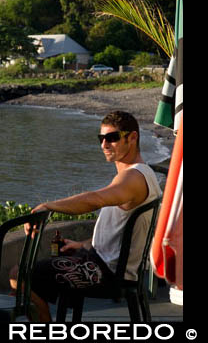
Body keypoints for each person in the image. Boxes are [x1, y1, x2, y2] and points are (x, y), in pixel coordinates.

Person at [10, 111, 162, 322]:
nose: (104, 145)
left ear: (133, 137)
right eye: (101, 138)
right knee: (31, 278)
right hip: (106, 266)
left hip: (106, 275)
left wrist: (49, 206)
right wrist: (83, 244)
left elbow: (95, 199)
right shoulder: (139, 175)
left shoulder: (133, 178)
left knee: (19, 275)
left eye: (113, 138)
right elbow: (122, 235)